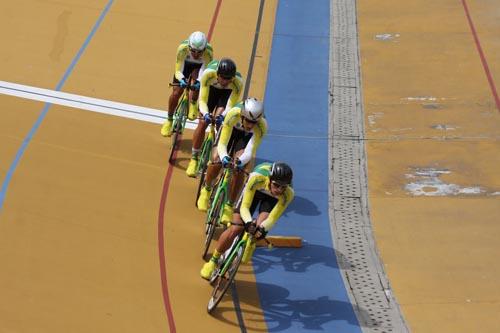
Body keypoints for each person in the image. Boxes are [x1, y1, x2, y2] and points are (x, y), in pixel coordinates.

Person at [200, 161, 294, 279]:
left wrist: (262, 229)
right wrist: (249, 222)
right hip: (255, 191)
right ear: (270, 179)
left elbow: (273, 218)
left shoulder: (288, 194)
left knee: (259, 227)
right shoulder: (257, 178)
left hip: (271, 200)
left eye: (283, 187)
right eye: (276, 185)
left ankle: (250, 241)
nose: (279, 190)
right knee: (236, 227)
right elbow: (244, 206)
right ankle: (213, 261)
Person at [197, 97, 267, 226]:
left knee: (240, 170)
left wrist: (239, 162)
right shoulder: (233, 114)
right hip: (230, 132)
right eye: (248, 121)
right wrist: (224, 157)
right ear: (242, 115)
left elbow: (250, 150)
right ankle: (206, 190)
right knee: (217, 160)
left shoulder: (262, 126)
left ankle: (229, 205)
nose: (250, 125)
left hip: (245, 139)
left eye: (254, 123)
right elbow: (223, 143)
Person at [185, 58, 243, 177]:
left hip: (225, 96)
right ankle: (194, 158)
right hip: (210, 92)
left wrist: (221, 116)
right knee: (202, 123)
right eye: (223, 77)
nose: (226, 81)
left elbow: (230, 105)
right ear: (217, 74)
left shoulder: (237, 83)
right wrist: (206, 114)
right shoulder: (208, 74)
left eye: (229, 78)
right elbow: (202, 100)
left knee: (220, 122)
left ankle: (217, 152)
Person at [161, 31, 213, 137]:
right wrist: (182, 80)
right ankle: (169, 120)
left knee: (197, 83)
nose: (196, 54)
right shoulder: (182, 48)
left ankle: (193, 102)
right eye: (193, 51)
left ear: (204, 49)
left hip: (199, 67)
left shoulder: (208, 52)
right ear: (189, 47)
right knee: (176, 94)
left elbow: (204, 72)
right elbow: (178, 70)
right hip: (185, 66)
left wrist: (199, 82)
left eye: (200, 52)